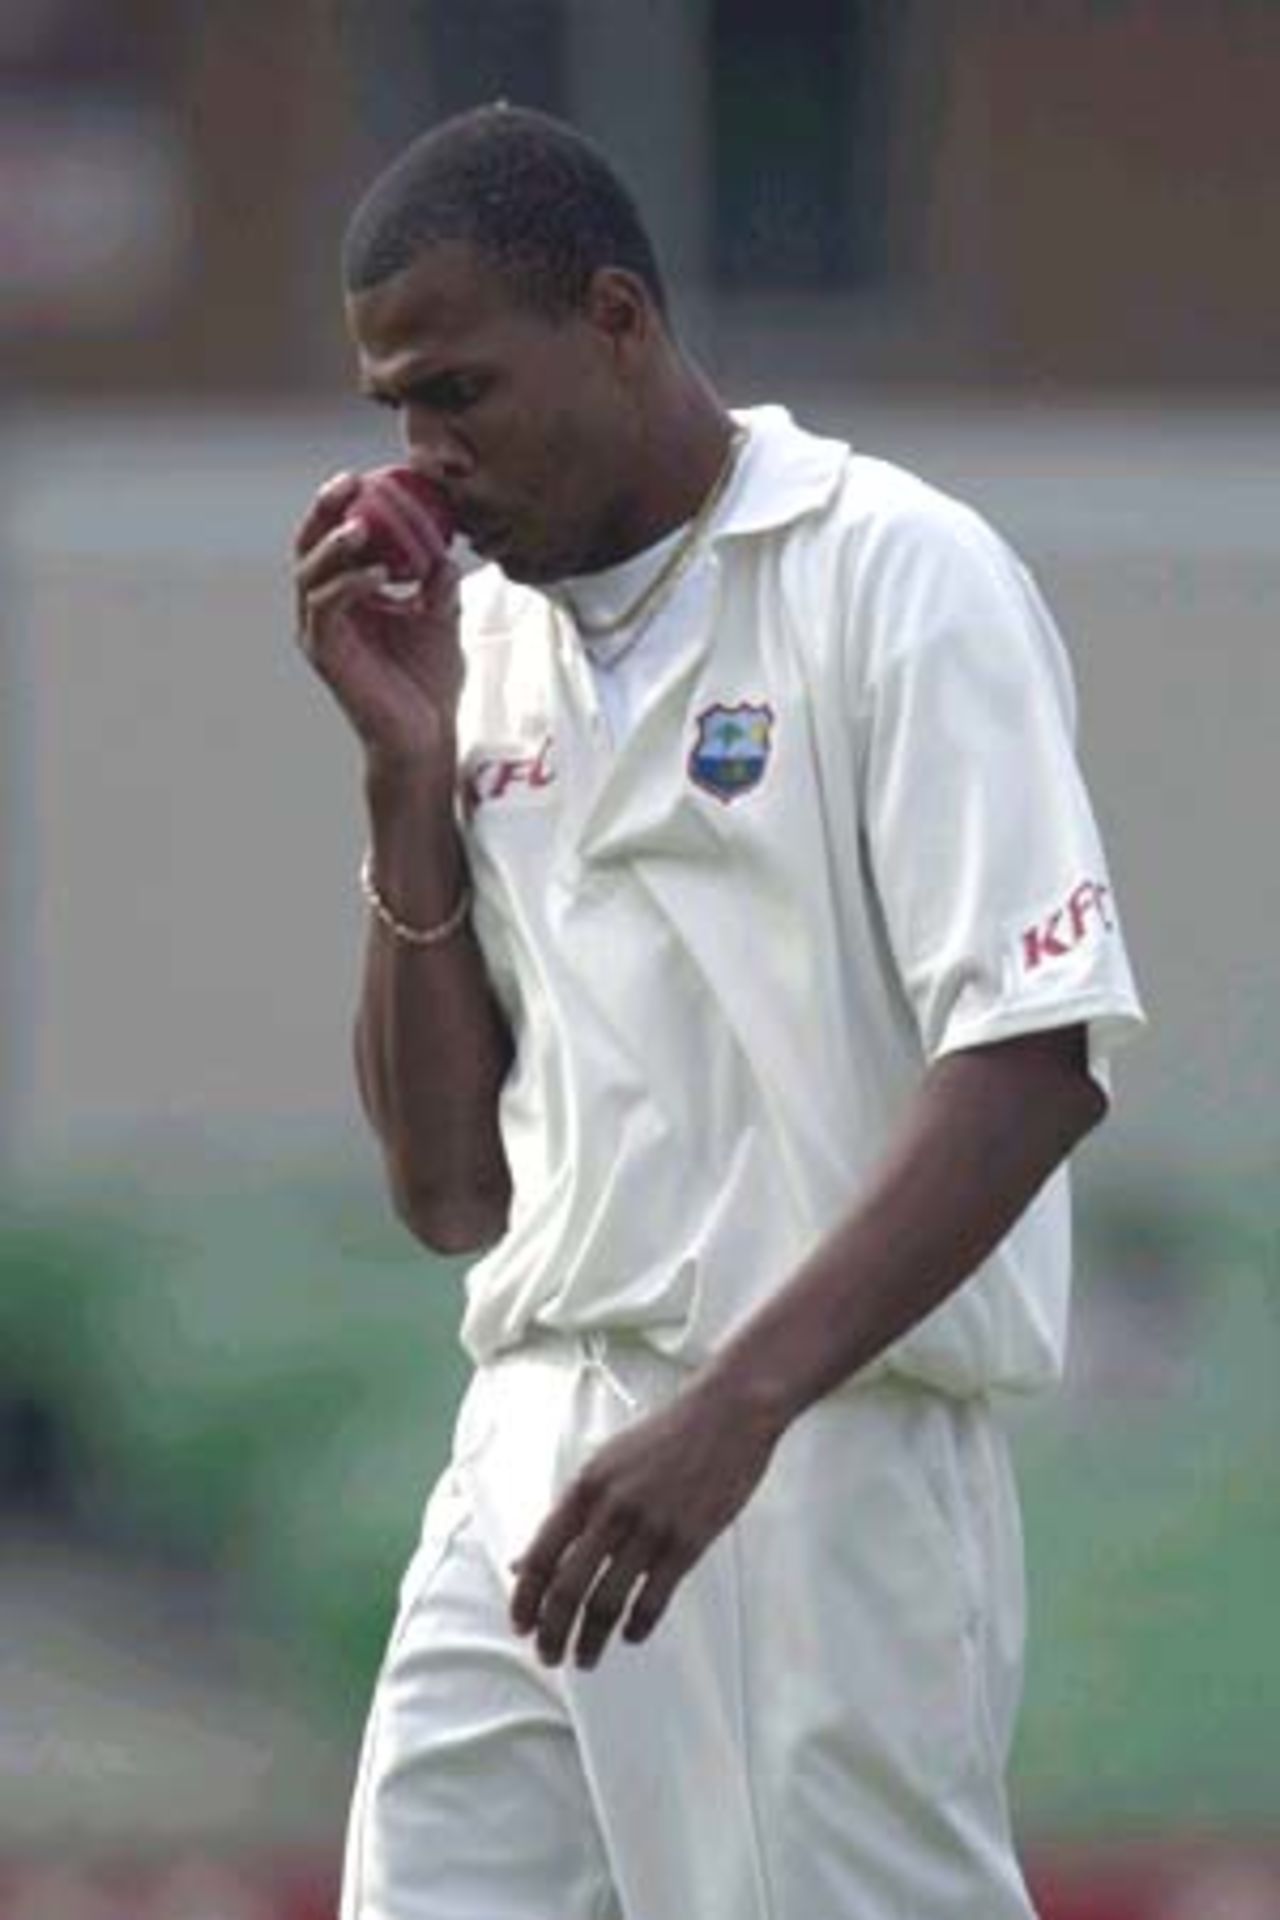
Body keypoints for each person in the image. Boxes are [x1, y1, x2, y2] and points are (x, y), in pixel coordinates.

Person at [292, 104, 1144, 1920]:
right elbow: (451, 1196)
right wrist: (407, 774)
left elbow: (1030, 1063)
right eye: (391, 414)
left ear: (615, 319)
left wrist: (735, 1413)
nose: (423, 464)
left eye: (458, 393)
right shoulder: (484, 638)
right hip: (529, 1441)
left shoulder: (892, 572)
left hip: (812, 1450)